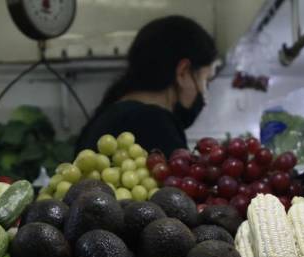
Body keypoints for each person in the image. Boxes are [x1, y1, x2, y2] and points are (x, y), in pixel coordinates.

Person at [75, 15, 219, 157]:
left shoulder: (107, 116)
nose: (204, 97)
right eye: (205, 81)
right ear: (183, 72)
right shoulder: (155, 124)